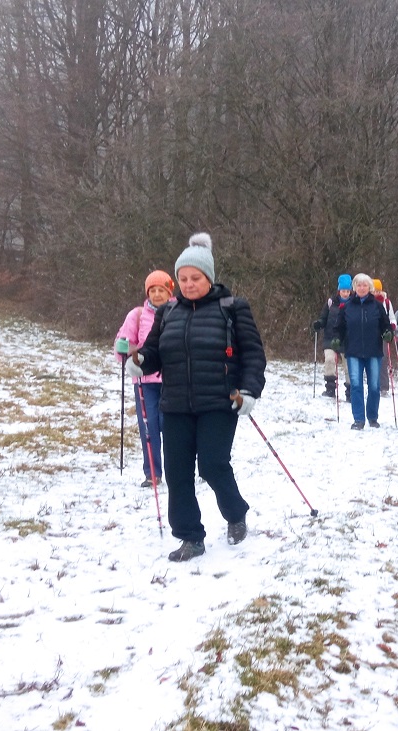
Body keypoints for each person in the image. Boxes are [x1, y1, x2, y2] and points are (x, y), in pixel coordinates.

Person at [128, 233, 266, 562]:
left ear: (209, 278)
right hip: (175, 403)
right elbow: (153, 352)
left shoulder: (233, 309)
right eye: (183, 278)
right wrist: (140, 361)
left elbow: (254, 356)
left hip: (219, 401)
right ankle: (190, 536)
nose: (189, 284)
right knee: (176, 472)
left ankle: (236, 515)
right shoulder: (168, 313)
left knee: (212, 465)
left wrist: (249, 391)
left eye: (196, 278)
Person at [115, 270, 174, 488]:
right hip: (145, 382)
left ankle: (176, 471)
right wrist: (125, 351)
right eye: (153, 290)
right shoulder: (137, 315)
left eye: (162, 290)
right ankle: (152, 474)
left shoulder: (178, 312)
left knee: (170, 427)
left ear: (170, 292)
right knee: (149, 427)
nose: (157, 295)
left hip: (172, 381)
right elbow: (122, 342)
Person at [333, 273, 393, 429]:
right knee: (356, 386)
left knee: (374, 386)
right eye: (358, 285)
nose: (361, 288)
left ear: (369, 288)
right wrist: (337, 339)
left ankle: (372, 417)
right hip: (353, 351)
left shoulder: (377, 306)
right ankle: (359, 419)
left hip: (373, 351)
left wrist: (387, 333)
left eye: (364, 285)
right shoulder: (346, 307)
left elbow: (386, 325)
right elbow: (339, 327)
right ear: (354, 287)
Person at [312, 274, 351, 398]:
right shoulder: (331, 302)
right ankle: (330, 388)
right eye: (343, 291)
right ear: (339, 291)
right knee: (329, 360)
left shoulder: (354, 304)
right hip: (330, 337)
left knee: (349, 365)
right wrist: (319, 323)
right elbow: (324, 317)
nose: (346, 293)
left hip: (347, 339)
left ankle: (351, 391)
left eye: (348, 291)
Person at [373, 278, 394, 396]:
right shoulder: (367, 301)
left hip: (383, 334)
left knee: (383, 358)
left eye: (378, 291)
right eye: (374, 291)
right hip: (370, 334)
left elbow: (391, 316)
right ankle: (373, 384)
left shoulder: (386, 302)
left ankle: (384, 386)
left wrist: (392, 325)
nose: (376, 293)